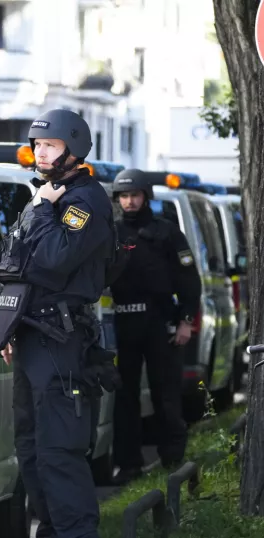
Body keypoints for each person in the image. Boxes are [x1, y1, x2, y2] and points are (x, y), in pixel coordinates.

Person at [0, 109, 114, 538]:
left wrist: (43, 211)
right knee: (31, 451)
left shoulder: (83, 199)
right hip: (32, 336)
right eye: (36, 144)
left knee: (60, 451)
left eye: (49, 144)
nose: (40, 152)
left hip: (62, 342)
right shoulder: (41, 197)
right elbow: (11, 263)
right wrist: (9, 328)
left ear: (73, 147)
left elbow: (50, 261)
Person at [108, 168, 201, 484]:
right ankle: (128, 464)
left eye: (134, 195)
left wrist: (186, 321)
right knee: (125, 397)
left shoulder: (167, 233)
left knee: (166, 394)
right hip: (123, 321)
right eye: (124, 196)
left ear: (146, 196)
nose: (129, 201)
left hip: (160, 321)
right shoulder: (112, 233)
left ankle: (173, 461)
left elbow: (190, 281)